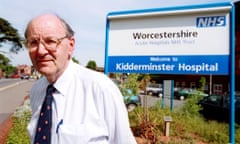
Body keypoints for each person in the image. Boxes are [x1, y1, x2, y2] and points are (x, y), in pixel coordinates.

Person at [25, 13, 137, 144]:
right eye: (33, 42)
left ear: (71, 45)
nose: (40, 51)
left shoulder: (100, 89)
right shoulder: (36, 91)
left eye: (50, 41)